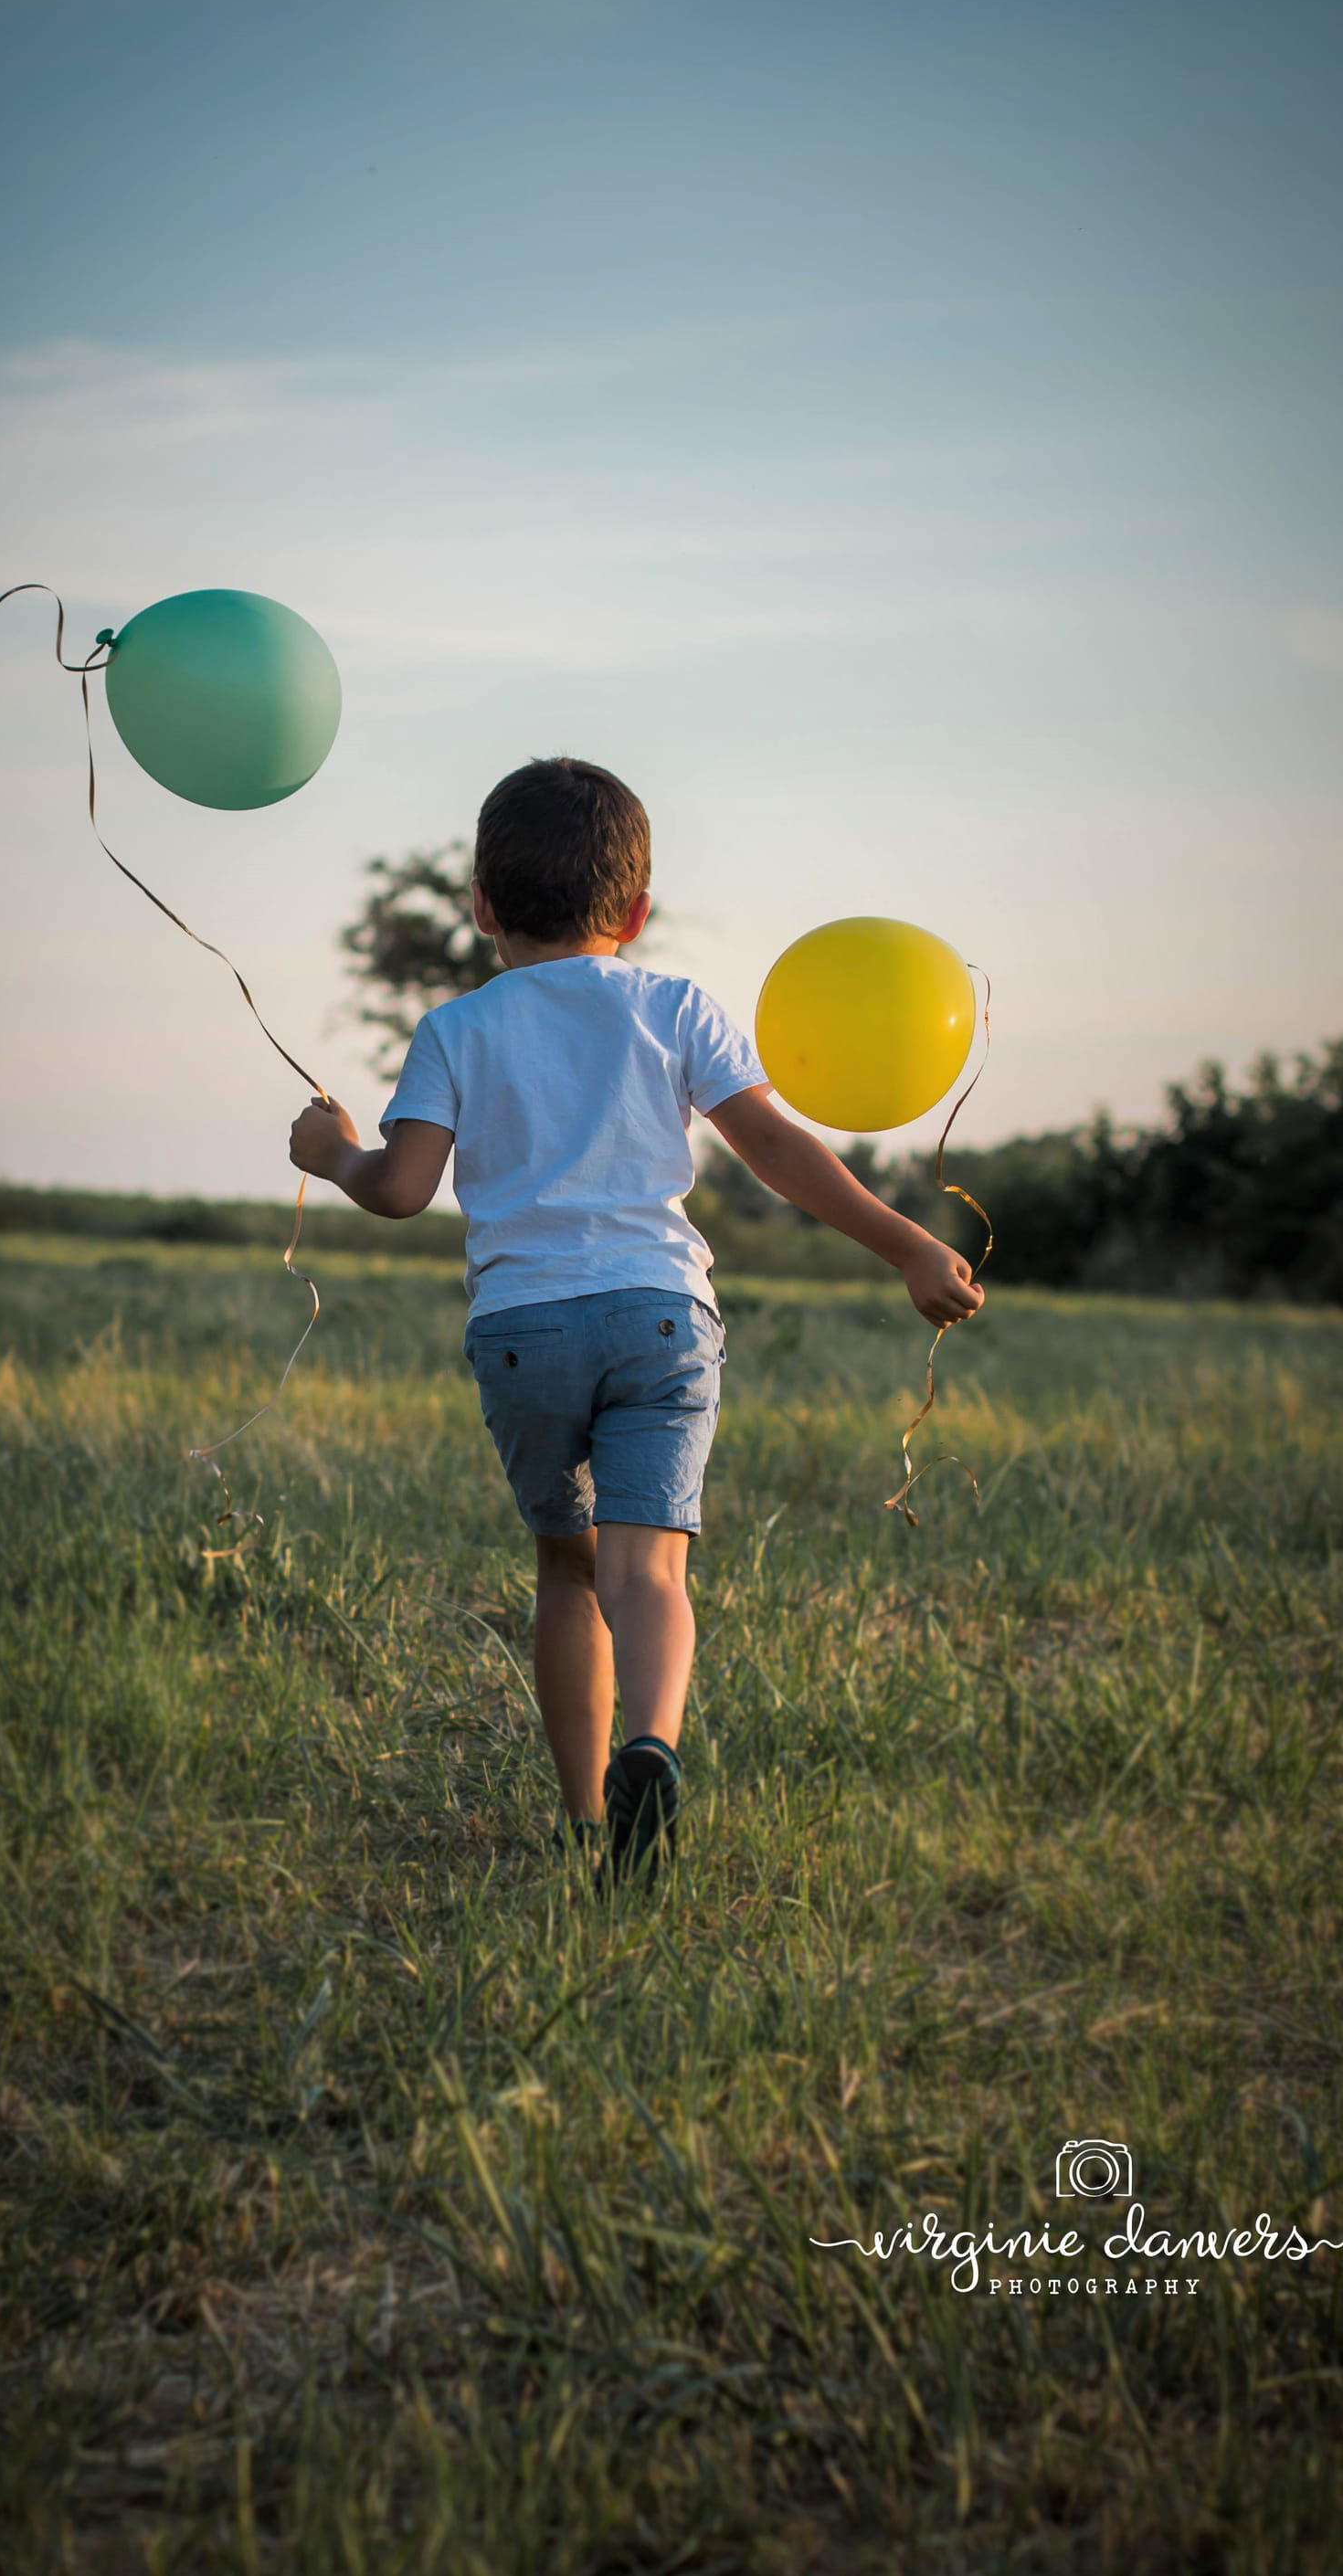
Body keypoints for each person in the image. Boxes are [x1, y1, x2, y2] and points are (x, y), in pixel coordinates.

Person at [290, 757, 982, 1886]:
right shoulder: (675, 1007)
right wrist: (906, 1242)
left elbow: (402, 1189)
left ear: (479, 906)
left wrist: (335, 1153)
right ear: (637, 910)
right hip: (658, 1317)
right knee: (646, 1574)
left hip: (523, 1331)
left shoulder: (454, 1029)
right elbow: (775, 1151)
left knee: (565, 1570)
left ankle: (577, 1820)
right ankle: (650, 1746)